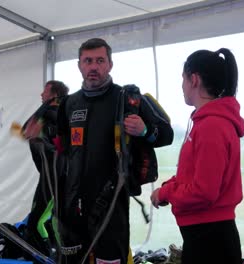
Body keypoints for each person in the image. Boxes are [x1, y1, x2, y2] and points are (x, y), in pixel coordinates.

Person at [55, 38, 173, 263]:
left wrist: (145, 130)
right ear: (79, 65)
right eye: (88, 61)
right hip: (74, 203)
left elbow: (166, 135)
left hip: (111, 202)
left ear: (110, 64)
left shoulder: (127, 99)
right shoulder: (69, 104)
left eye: (100, 60)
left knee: (109, 259)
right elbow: (61, 148)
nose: (93, 67)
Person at [150, 48, 244, 264]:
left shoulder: (212, 125)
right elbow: (192, 177)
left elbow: (204, 191)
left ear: (194, 80)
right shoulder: (206, 123)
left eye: (183, 79)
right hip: (203, 237)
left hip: (211, 241)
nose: (181, 85)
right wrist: (166, 188)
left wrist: (167, 193)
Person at [22, 80, 69, 257]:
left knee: (39, 222)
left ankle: (52, 256)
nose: (41, 94)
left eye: (45, 91)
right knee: (44, 222)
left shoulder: (53, 112)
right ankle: (53, 255)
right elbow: (26, 130)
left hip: (55, 175)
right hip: (50, 175)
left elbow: (26, 130)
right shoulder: (50, 113)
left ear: (54, 94)